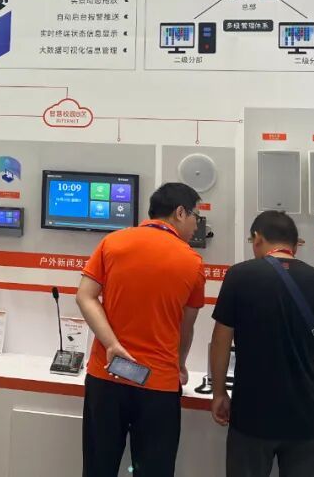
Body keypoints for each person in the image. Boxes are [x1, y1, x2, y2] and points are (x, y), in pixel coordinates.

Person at [76, 182, 206, 477]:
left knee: (98, 467)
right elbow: (186, 327)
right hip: (158, 385)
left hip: (107, 375)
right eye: (195, 216)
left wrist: (112, 344)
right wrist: (179, 365)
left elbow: (85, 296)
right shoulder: (192, 262)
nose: (196, 225)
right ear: (180, 212)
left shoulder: (113, 242)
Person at [209, 210, 314, 477]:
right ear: (296, 245)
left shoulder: (240, 276)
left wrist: (219, 393)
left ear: (257, 238)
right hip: (308, 415)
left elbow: (220, 342)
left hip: (252, 413)